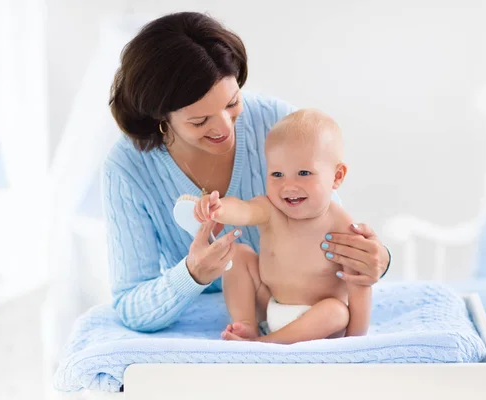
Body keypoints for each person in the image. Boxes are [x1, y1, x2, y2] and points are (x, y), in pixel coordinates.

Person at [104, 11, 390, 333]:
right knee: (238, 256)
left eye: (232, 103)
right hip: (249, 308)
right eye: (200, 121)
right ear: (161, 117)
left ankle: (265, 346)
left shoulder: (280, 124)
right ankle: (250, 337)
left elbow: (331, 232)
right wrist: (192, 272)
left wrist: (376, 259)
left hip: (313, 311)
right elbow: (131, 307)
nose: (225, 128)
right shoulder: (126, 171)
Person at [194, 109, 371, 343]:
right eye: (277, 174)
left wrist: (355, 341)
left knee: (336, 311)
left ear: (337, 176)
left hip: (317, 322)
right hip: (271, 306)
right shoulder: (270, 210)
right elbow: (244, 210)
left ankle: (263, 344)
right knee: (238, 255)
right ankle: (247, 326)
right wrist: (218, 207)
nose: (289, 186)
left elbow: (359, 284)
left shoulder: (343, 227)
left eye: (304, 173)